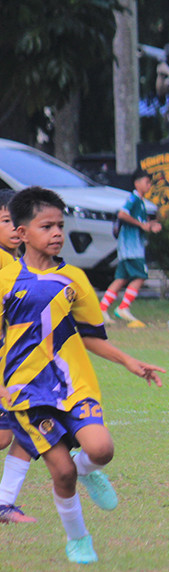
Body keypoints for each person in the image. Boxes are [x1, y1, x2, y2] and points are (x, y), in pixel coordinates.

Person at [0, 187, 164, 562]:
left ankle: (87, 471)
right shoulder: (5, 280)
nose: (57, 233)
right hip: (27, 393)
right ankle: (78, 539)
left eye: (60, 225)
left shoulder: (74, 279)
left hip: (74, 385)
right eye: (47, 227)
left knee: (101, 449)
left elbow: (91, 335)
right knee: (62, 473)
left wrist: (129, 361)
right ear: (23, 233)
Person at [0, 189, 35, 524]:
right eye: (5, 220)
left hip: (15, 365)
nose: (14, 228)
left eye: (18, 220)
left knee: (15, 432)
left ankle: (4, 503)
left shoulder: (18, 263)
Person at [99, 168, 161, 327]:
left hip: (127, 248)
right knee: (140, 276)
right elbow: (122, 214)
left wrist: (150, 226)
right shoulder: (134, 199)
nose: (149, 186)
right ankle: (123, 307)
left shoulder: (140, 202)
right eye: (147, 182)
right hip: (132, 249)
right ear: (137, 183)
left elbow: (139, 223)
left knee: (121, 278)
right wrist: (141, 224)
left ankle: (102, 308)